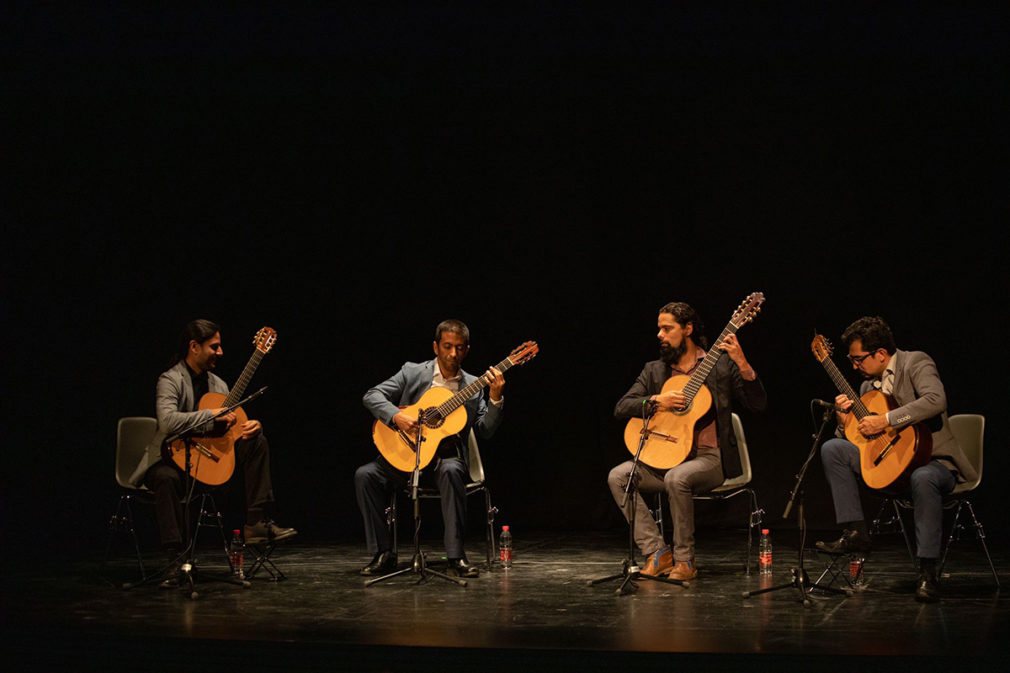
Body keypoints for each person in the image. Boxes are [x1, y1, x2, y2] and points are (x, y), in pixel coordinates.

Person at [815, 316, 974, 602]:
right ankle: (855, 534)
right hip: (889, 468)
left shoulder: (916, 362)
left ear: (880, 354)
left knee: (922, 477)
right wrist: (843, 423)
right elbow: (860, 439)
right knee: (832, 448)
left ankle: (927, 571)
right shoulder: (865, 389)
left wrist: (886, 421)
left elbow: (935, 400)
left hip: (934, 462)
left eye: (858, 359)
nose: (854, 366)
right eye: (851, 361)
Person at [608, 301, 767, 581]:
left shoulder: (719, 366)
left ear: (688, 329)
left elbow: (757, 404)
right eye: (659, 329)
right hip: (664, 458)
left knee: (677, 479)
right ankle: (657, 551)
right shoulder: (655, 371)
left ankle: (685, 560)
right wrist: (657, 400)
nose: (660, 335)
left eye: (667, 328)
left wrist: (742, 363)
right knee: (619, 476)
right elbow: (622, 407)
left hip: (709, 459)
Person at [129, 319, 295, 570]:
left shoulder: (219, 385)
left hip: (207, 461)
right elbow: (167, 422)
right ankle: (175, 557)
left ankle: (256, 522)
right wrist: (211, 416)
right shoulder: (170, 379)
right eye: (214, 347)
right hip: (169, 460)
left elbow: (226, 429)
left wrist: (249, 427)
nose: (220, 352)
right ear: (194, 346)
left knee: (256, 441)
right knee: (165, 478)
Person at [355, 319, 504, 578]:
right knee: (365, 475)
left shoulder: (472, 387)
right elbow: (372, 395)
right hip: (407, 453)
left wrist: (495, 398)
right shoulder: (412, 372)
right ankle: (384, 553)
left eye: (459, 348)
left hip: (444, 459)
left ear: (466, 350)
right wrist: (396, 416)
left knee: (452, 470)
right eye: (447, 346)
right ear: (436, 347)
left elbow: (485, 431)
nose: (453, 354)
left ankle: (456, 557)